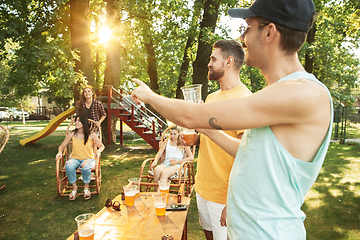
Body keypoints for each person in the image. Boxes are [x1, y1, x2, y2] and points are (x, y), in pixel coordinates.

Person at [131, 0, 333, 238]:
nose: (242, 36)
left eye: (247, 27)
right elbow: (250, 152)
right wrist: (209, 131)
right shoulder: (278, 95)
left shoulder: (303, 92)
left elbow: (190, 115)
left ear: (269, 32)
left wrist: (150, 96)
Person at [193, 40, 252, 240]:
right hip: (202, 187)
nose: (209, 63)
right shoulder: (210, 98)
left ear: (228, 62)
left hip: (224, 195)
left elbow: (248, 156)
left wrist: (232, 201)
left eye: (213, 58)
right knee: (208, 235)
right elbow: (208, 139)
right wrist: (192, 138)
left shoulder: (245, 100)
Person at [56, 115, 105, 201]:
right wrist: (60, 152)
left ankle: (86, 187)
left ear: (84, 123)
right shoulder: (72, 133)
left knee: (86, 166)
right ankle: (74, 187)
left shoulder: (91, 134)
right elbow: (62, 146)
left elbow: (101, 146)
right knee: (69, 166)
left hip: (88, 159)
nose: (76, 123)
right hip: (74, 158)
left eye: (79, 121)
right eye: (76, 121)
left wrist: (98, 151)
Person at [151, 125, 193, 190]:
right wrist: (155, 160)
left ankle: (162, 195)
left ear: (179, 133)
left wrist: (177, 162)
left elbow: (191, 157)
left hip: (177, 165)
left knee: (165, 173)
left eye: (174, 134)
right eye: (171, 134)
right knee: (157, 170)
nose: (172, 136)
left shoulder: (183, 142)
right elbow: (159, 153)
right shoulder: (166, 141)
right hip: (166, 163)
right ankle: (156, 192)